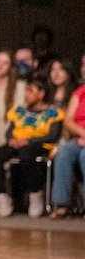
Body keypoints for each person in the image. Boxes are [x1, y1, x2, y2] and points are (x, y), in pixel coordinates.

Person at [0, 78, 62, 217]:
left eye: (31, 91)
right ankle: (2, 196)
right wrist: (11, 139)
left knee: (26, 155)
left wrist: (29, 141)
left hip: (39, 143)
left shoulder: (53, 112)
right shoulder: (20, 110)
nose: (26, 94)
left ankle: (35, 194)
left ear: (41, 94)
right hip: (17, 142)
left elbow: (52, 135)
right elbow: (10, 130)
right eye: (26, 91)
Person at [50, 78, 85, 219]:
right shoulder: (80, 92)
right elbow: (68, 119)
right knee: (63, 152)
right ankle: (62, 203)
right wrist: (83, 133)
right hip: (80, 136)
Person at [0, 50, 26, 151]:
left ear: (11, 67)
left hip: (17, 139)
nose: (0, 65)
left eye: (5, 63)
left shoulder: (21, 88)